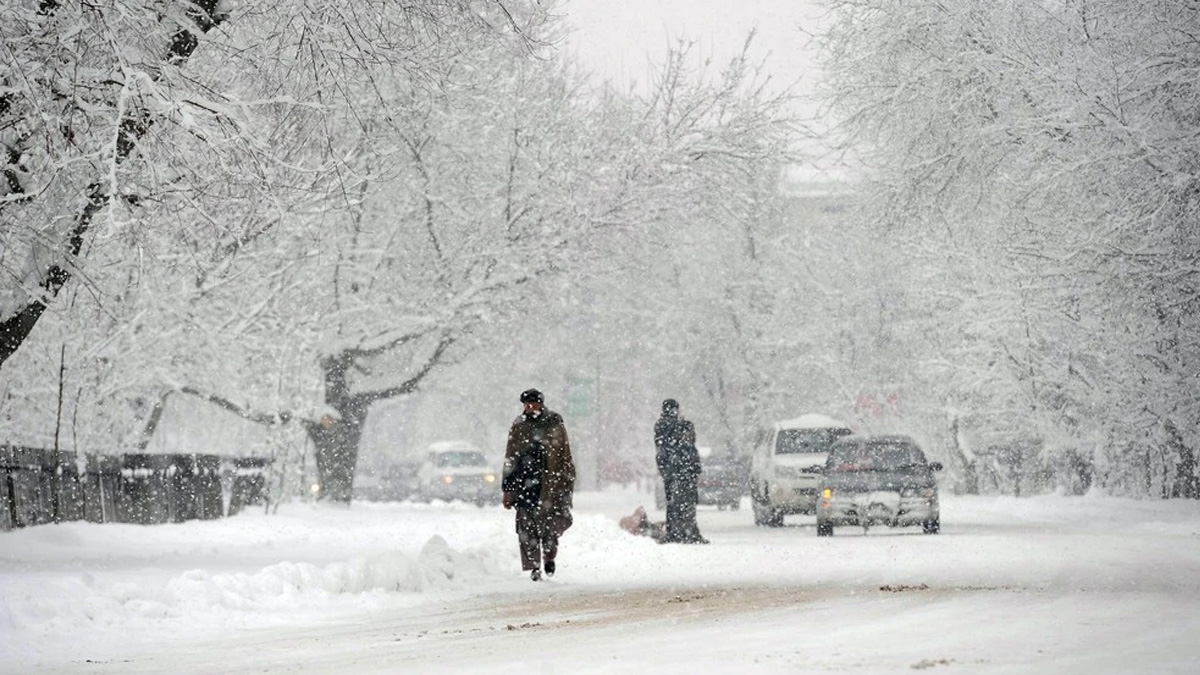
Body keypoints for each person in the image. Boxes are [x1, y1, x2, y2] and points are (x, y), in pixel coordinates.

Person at [502, 388, 576, 581]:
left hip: (549, 484)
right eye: (527, 403)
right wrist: (508, 488)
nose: (530, 406)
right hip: (525, 484)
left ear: (541, 403)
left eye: (533, 403)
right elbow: (510, 456)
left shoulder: (553, 423)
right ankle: (534, 567)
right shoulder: (519, 426)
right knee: (526, 528)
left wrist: (565, 480)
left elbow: (563, 453)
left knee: (549, 527)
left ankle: (549, 556)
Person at [654, 398, 708, 544]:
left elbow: (663, 449)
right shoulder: (675, 427)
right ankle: (687, 532)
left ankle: (676, 532)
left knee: (673, 502)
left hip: (673, 471)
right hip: (682, 470)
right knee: (685, 502)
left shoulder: (662, 426)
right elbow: (685, 443)